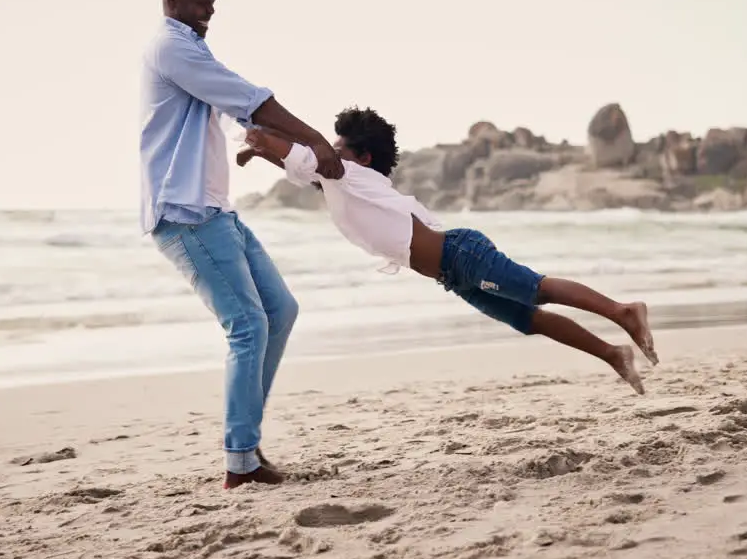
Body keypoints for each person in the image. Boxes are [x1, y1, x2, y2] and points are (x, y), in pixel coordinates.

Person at [237, 108, 657, 395]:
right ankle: (613, 355)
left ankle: (623, 311)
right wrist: (262, 150)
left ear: (361, 157)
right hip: (453, 274)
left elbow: (302, 155)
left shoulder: (348, 173)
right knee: (530, 320)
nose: (331, 152)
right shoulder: (344, 180)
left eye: (338, 147)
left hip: (462, 257)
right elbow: (301, 166)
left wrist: (260, 137)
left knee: (537, 290)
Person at [140, 0, 344, 490]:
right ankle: (241, 461)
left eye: (214, 3)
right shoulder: (170, 47)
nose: (210, 12)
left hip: (216, 211)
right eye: (201, 2)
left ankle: (247, 445)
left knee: (280, 309)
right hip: (184, 215)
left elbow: (247, 124)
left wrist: (304, 166)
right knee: (248, 325)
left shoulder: (193, 48)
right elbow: (250, 98)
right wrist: (318, 140)